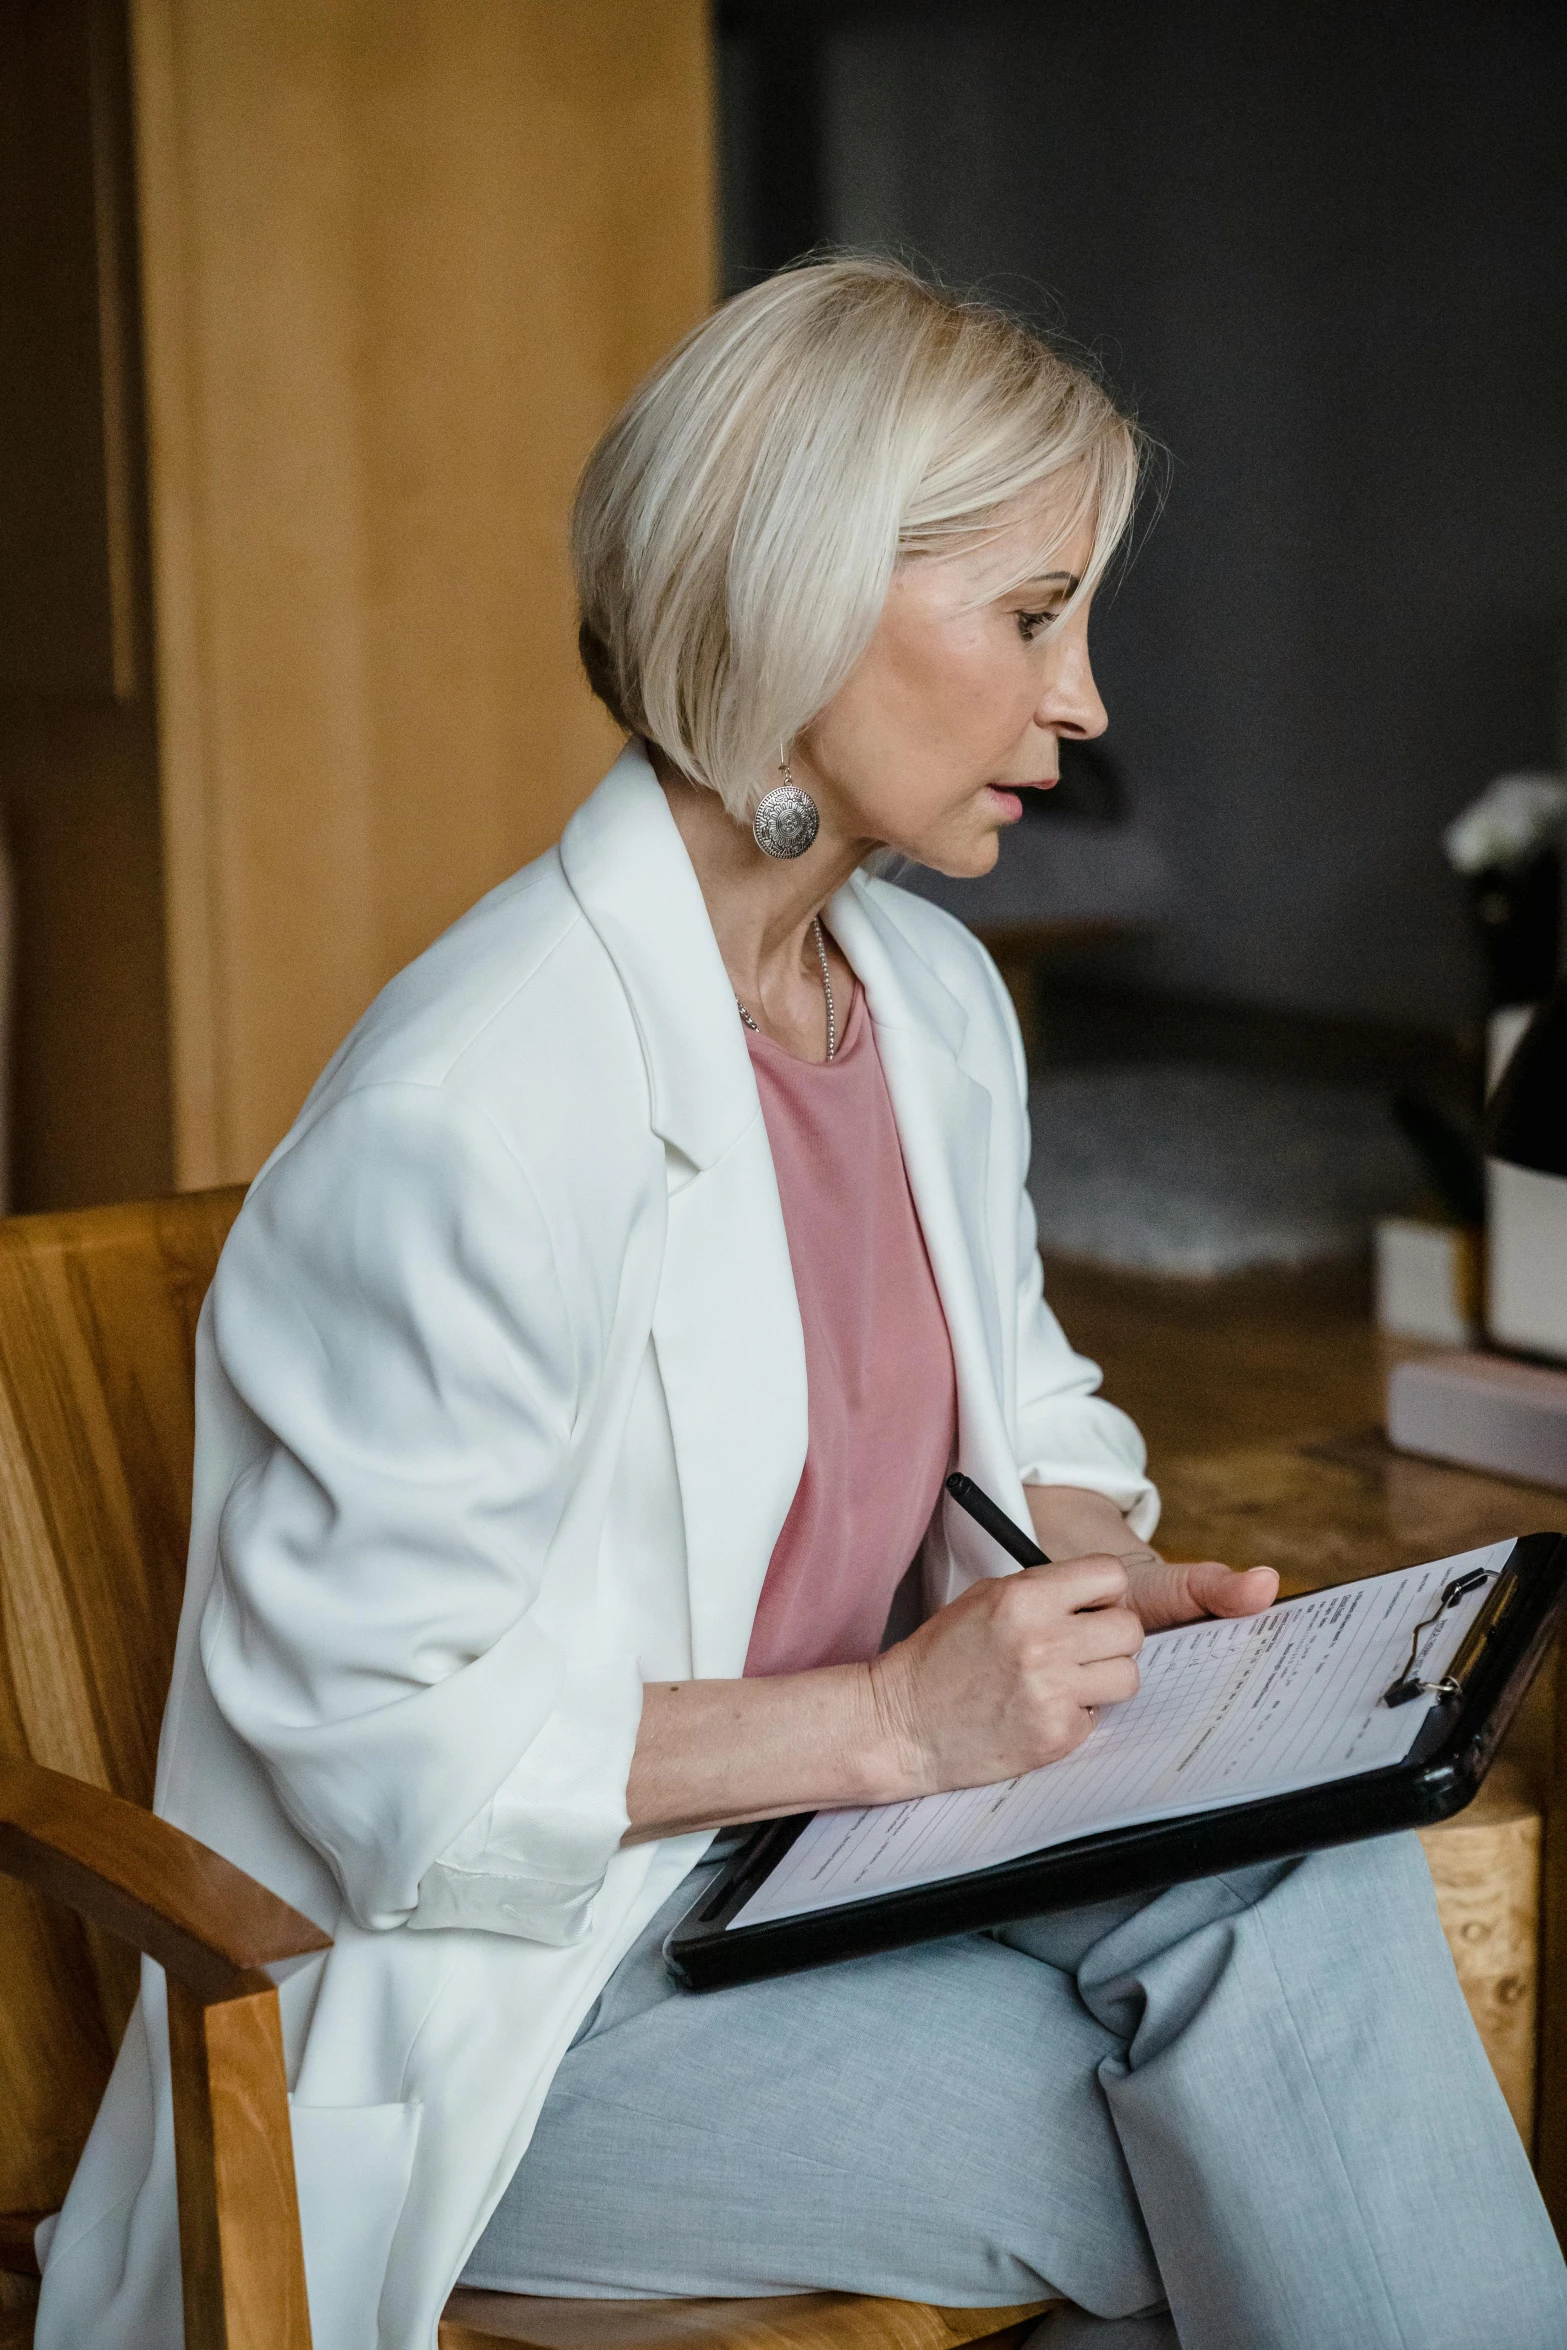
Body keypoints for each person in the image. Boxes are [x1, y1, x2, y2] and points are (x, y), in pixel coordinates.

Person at [36, 259, 1567, 2350]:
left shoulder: (925, 1000)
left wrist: (1118, 1593)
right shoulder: (479, 1102)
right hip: (522, 2000)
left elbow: (1035, 1414)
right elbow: (391, 1767)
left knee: (1300, 1874)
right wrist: (892, 1714)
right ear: (802, 591)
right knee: (1238, 2151)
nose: (1088, 700)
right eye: (1035, 615)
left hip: (829, 1865)